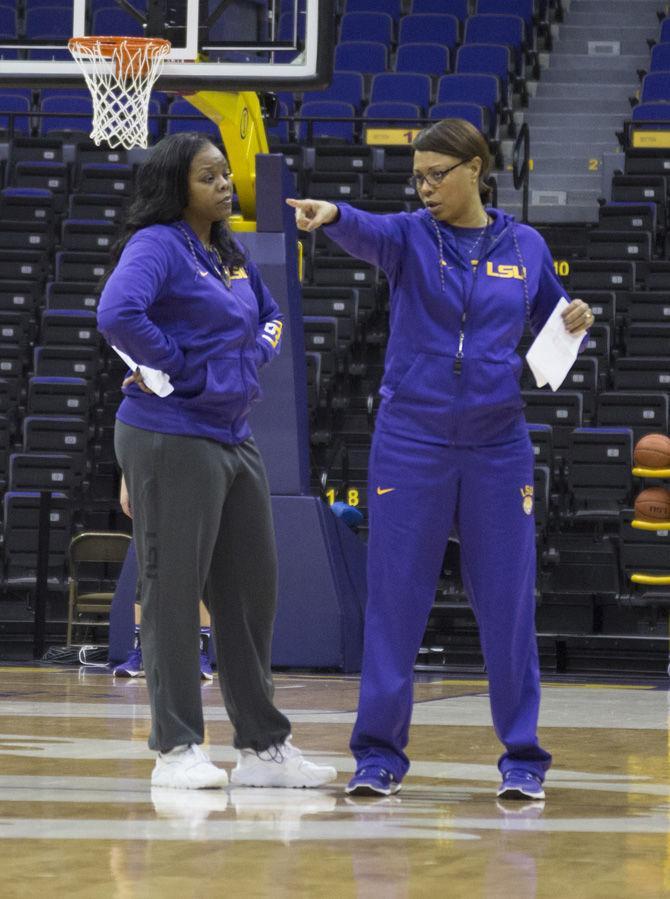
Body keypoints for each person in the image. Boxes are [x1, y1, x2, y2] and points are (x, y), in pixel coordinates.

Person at [287, 118, 594, 801]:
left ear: (476, 168)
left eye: (437, 175)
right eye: (418, 176)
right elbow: (364, 227)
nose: (424, 187)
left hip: (497, 446)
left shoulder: (526, 244)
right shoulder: (408, 238)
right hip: (411, 442)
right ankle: (378, 758)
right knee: (395, 605)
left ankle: (522, 760)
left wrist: (578, 318)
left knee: (509, 608)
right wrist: (331, 214)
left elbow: (555, 318)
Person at [97, 131, 336, 791]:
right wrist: (176, 370)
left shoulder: (227, 252)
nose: (225, 183)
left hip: (233, 434)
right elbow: (117, 313)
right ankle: (176, 747)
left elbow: (272, 317)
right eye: (209, 176)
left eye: (226, 173)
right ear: (179, 185)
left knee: (250, 591)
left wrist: (251, 356)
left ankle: (262, 747)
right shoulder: (157, 245)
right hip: (170, 431)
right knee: (173, 590)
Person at [112, 475, 214, 681]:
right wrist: (125, 486)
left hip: (194, 486)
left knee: (196, 569)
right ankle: (139, 654)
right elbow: (131, 443)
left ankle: (200, 653)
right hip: (152, 488)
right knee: (148, 571)